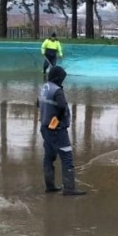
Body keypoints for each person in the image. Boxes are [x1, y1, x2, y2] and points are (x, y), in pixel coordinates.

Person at [39, 65, 87, 196]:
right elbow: (61, 107)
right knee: (67, 158)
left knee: (49, 157)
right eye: (62, 79)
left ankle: (50, 186)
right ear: (58, 78)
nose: (62, 81)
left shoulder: (44, 87)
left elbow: (38, 104)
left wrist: (47, 116)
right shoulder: (57, 91)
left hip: (44, 128)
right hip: (57, 130)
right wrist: (58, 120)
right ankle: (69, 188)